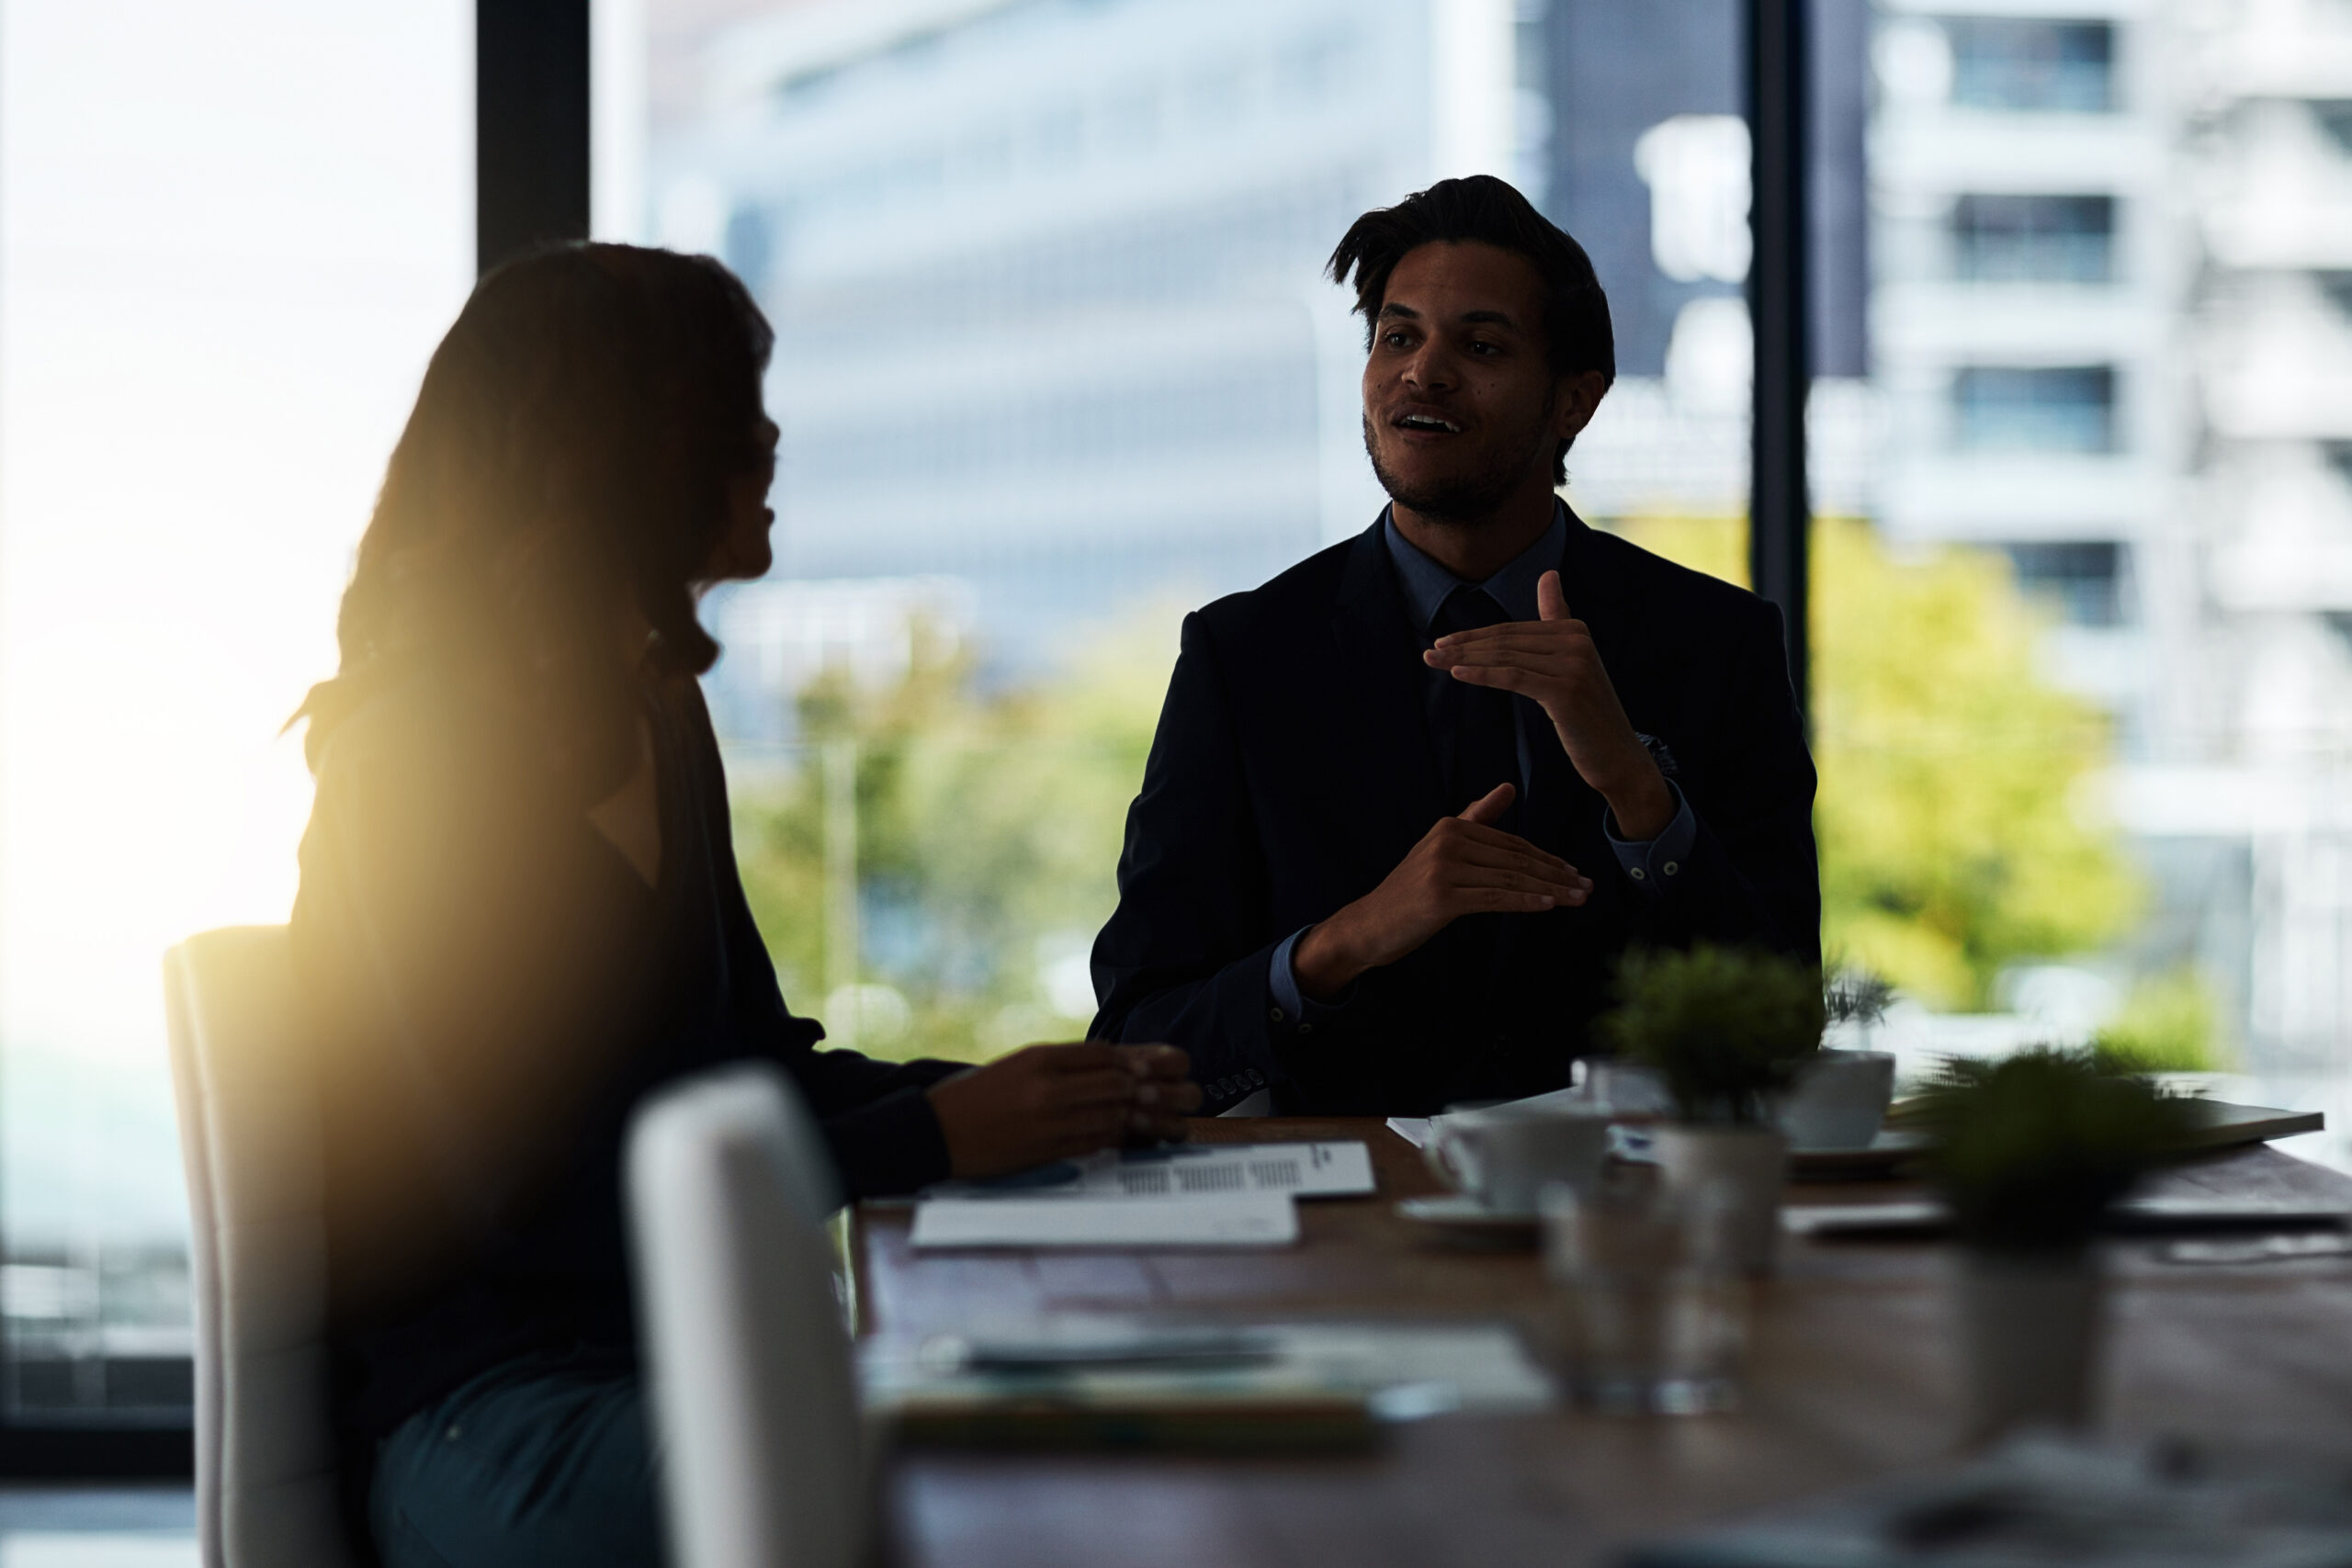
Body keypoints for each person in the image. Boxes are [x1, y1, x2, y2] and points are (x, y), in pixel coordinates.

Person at [288, 243, 1199, 1567]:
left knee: (1090, 1426)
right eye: (734, 400)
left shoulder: (659, 711)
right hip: (497, 1417)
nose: (769, 435)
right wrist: (931, 1135)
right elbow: (516, 1199)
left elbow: (750, 1073)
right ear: (620, 447)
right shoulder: (418, 757)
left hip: (698, 1362)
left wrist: (1045, 1093)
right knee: (1004, 1479)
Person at [1089, 175, 1818, 1115]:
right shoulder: (1246, 654)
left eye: (1478, 346)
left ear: (1573, 403)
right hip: (1346, 1230)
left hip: (1624, 1222)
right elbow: (1135, 1038)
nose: (1421, 372)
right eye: (1397, 336)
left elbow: (1783, 1021)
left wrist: (1637, 792)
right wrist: (1347, 940)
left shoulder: (1715, 643)